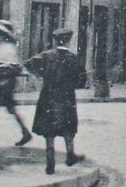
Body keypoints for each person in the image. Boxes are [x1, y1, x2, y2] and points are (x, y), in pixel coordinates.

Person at [25, 27, 86, 174]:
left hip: (48, 96)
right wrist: (72, 84)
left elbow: (28, 64)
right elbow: (82, 81)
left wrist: (41, 75)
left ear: (55, 41)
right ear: (68, 41)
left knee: (49, 130)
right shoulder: (74, 58)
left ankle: (50, 163)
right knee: (68, 127)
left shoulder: (46, 56)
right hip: (66, 97)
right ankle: (70, 155)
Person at [0, 19, 33, 147]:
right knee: (4, 108)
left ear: (4, 35)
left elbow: (11, 66)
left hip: (6, 82)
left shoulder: (9, 48)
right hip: (2, 81)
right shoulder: (2, 46)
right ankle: (24, 132)